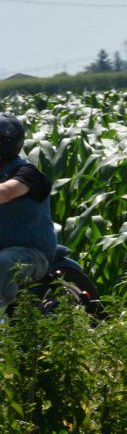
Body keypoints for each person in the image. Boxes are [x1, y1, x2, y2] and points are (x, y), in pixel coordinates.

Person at [0, 113, 57, 310]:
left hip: (32, 253)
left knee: (4, 262)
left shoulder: (27, 173)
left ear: (6, 143)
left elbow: (6, 193)